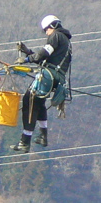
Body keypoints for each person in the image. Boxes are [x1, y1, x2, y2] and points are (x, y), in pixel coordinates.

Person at [12, 15, 72, 153]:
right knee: (39, 103)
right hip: (56, 77)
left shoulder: (56, 36)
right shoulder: (65, 41)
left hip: (49, 76)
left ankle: (24, 141)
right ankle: (43, 135)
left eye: (46, 29)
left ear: (53, 26)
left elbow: (43, 53)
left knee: (29, 101)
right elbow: (45, 59)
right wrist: (28, 52)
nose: (46, 32)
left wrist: (27, 59)